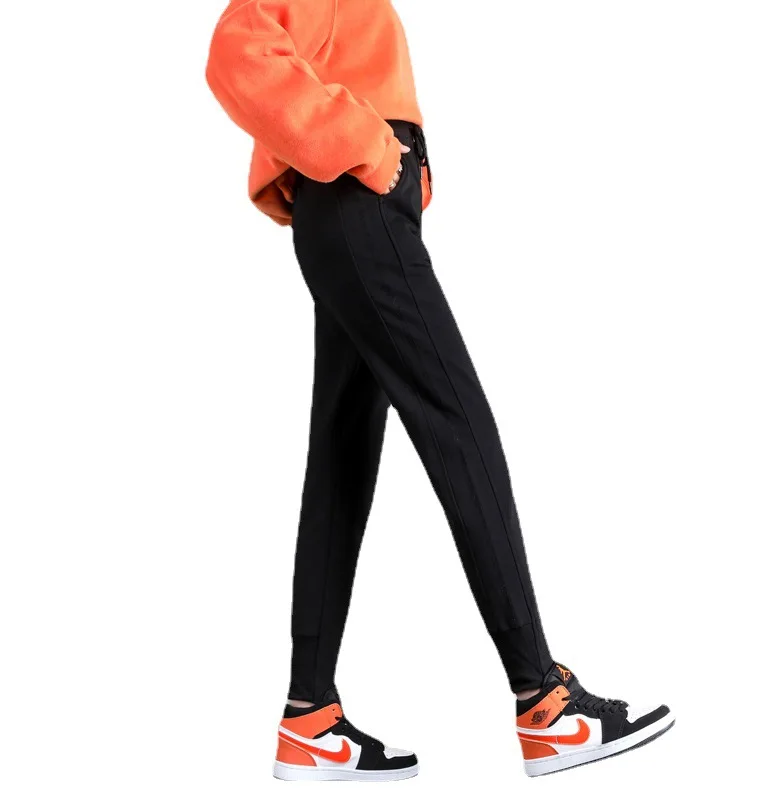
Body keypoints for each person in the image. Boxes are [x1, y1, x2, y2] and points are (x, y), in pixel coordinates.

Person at [206, 0, 673, 781]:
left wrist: (395, 164)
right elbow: (235, 52)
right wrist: (368, 144)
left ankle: (309, 716)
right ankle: (544, 702)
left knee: (343, 453)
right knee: (457, 419)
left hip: (351, 205)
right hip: (354, 199)